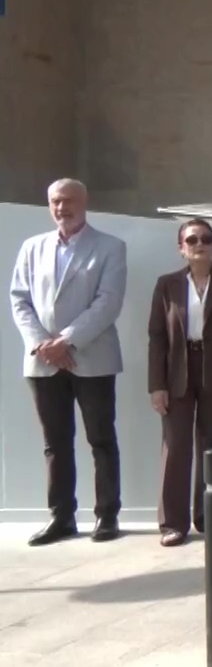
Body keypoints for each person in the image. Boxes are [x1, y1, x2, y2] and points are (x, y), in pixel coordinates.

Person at [10, 178, 128, 546]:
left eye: (68, 201)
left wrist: (67, 341)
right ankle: (61, 517)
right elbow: (19, 300)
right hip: (43, 362)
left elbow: (108, 302)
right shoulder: (32, 248)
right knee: (55, 443)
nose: (61, 208)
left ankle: (106, 515)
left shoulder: (110, 247)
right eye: (55, 202)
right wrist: (43, 344)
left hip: (90, 357)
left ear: (84, 201)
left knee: (101, 439)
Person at [146, 219, 212, 547]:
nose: (200, 244)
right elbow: (157, 337)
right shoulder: (167, 284)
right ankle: (172, 523)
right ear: (181, 247)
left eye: (206, 238)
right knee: (176, 445)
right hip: (177, 370)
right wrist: (157, 385)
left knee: (211, 445)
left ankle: (208, 516)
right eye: (192, 239)